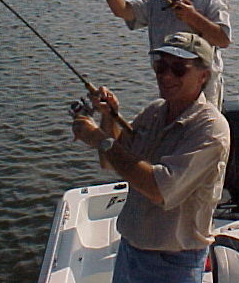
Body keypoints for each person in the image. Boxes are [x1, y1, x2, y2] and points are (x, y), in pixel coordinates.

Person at [72, 32, 230, 283]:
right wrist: (109, 118)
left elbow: (158, 190)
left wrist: (100, 139)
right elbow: (111, 161)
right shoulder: (155, 111)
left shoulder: (211, 129)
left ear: (203, 76)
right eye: (160, 66)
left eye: (179, 68)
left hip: (172, 263)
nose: (166, 76)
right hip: (130, 250)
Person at [94, 0, 231, 108]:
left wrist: (192, 17)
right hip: (169, 84)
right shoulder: (155, 4)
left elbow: (223, 40)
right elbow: (123, 11)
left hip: (204, 91)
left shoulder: (211, 2)